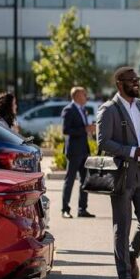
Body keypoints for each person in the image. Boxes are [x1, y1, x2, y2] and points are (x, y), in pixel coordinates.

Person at [96, 67, 140, 279]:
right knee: (122, 227)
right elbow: (103, 142)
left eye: (137, 80)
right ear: (120, 84)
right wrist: (133, 151)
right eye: (132, 80)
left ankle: (131, 254)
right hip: (123, 174)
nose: (137, 83)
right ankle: (124, 277)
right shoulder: (109, 109)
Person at [60, 86, 96, 219]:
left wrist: (90, 129)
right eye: (84, 94)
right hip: (74, 150)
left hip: (83, 149)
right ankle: (65, 209)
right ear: (76, 96)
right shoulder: (68, 110)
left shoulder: (83, 110)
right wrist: (85, 128)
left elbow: (83, 129)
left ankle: (82, 209)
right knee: (70, 180)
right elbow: (66, 130)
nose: (86, 96)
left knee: (85, 180)